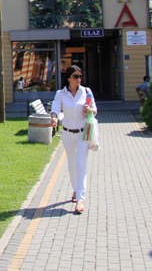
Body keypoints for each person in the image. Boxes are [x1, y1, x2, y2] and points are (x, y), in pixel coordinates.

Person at [50, 65, 97, 214]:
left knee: (80, 164)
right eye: (76, 76)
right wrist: (54, 118)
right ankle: (76, 189)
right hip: (68, 133)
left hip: (83, 133)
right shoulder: (61, 93)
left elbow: (95, 110)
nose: (79, 79)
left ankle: (81, 199)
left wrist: (90, 110)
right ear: (69, 78)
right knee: (71, 164)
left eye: (80, 76)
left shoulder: (86, 92)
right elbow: (55, 108)